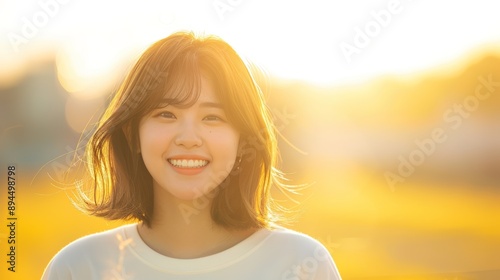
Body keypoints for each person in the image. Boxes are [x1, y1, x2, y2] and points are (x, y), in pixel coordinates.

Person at [42, 31, 342, 280]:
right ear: (133, 135)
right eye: (166, 114)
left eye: (212, 118)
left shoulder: (303, 264)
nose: (188, 138)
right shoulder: (79, 267)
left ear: (244, 139)